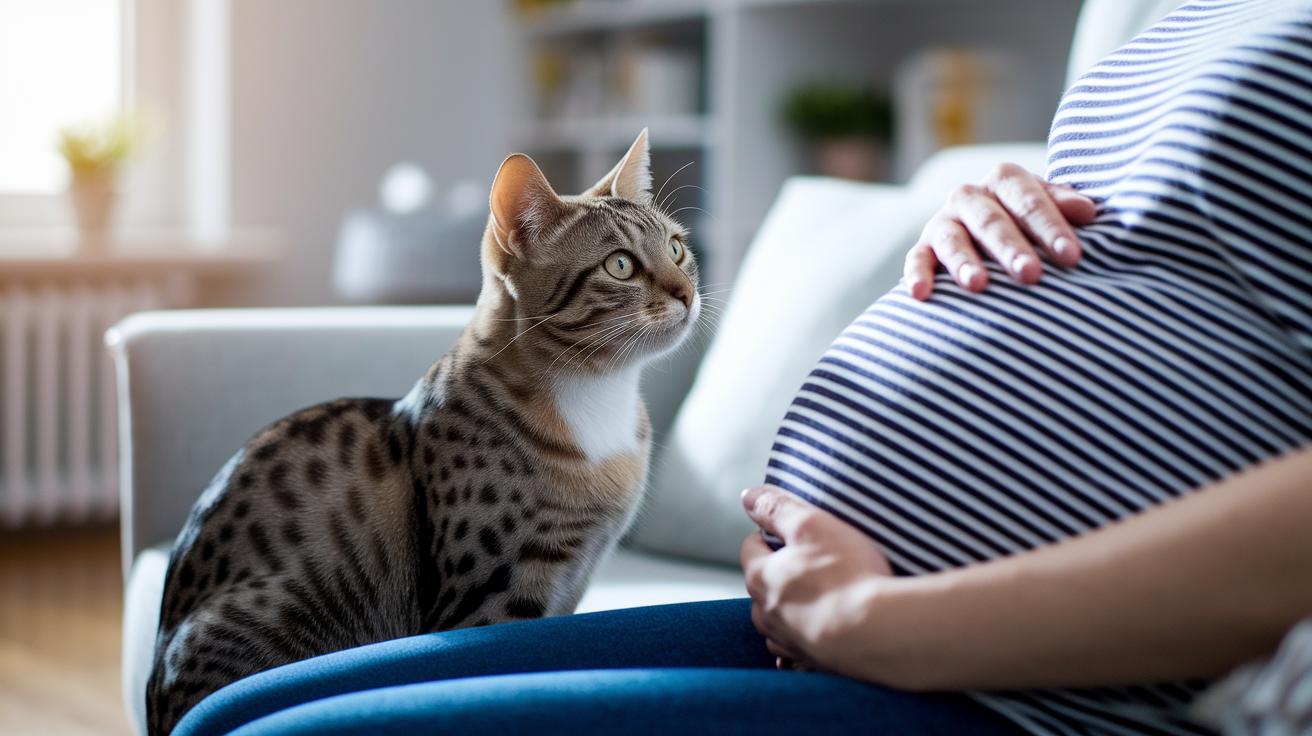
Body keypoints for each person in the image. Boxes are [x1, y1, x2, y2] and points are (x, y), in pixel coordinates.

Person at [172, 2, 1312, 734]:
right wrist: (993, 206)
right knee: (238, 712)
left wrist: (884, 619)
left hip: (1015, 677)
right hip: (829, 624)